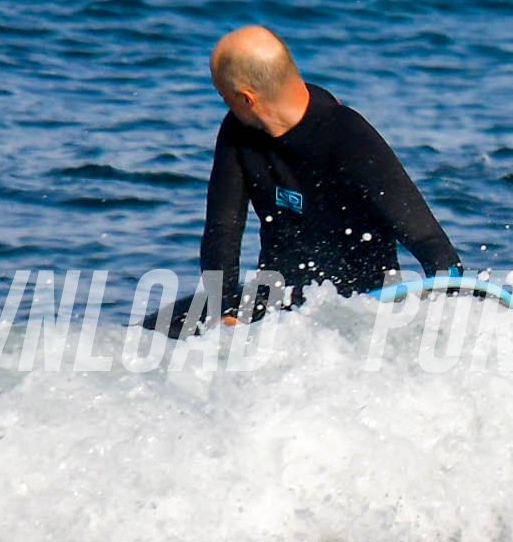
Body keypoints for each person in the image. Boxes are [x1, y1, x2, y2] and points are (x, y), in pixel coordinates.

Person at [179, 27, 462, 324]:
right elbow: (222, 230)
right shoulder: (237, 132)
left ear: (247, 99)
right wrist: (224, 311)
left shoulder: (348, 135)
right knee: (153, 331)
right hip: (277, 313)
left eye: (222, 95)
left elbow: (427, 239)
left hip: (360, 312)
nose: (224, 104)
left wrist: (456, 309)